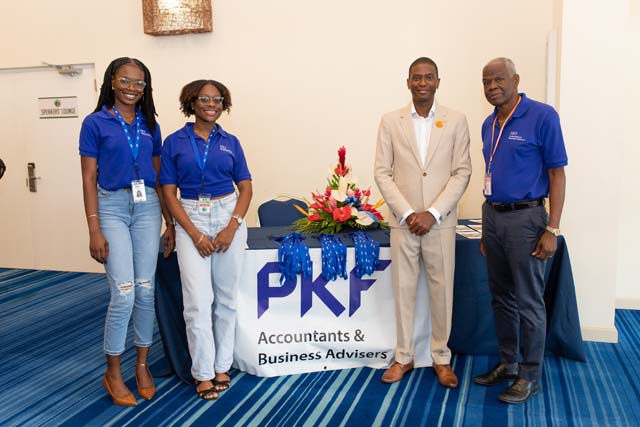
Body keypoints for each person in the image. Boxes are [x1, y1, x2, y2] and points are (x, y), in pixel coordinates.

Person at [79, 57, 175, 406]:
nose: (132, 88)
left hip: (148, 206)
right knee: (124, 293)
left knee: (146, 290)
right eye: (125, 80)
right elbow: (89, 177)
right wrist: (94, 228)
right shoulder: (95, 122)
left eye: (139, 83)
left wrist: (170, 222)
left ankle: (142, 365)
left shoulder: (150, 124)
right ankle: (113, 372)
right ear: (111, 82)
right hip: (111, 206)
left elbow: (160, 177)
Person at [473, 57, 567, 404]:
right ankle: (509, 363)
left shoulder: (542, 116)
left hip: (526, 219)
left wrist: (552, 228)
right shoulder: (488, 124)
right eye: (487, 81)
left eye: (499, 79)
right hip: (493, 217)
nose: (492, 86)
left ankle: (529, 376)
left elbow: (557, 174)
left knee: (528, 300)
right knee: (501, 297)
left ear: (516, 79)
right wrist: (487, 229)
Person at [374, 57, 471, 388]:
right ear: (408, 82)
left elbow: (462, 172)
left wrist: (433, 212)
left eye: (429, 77)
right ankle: (404, 356)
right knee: (402, 290)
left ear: (438, 82)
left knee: (442, 292)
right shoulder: (391, 121)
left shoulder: (456, 121)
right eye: (417, 78)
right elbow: (382, 172)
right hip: (403, 223)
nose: (423, 83)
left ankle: (441, 358)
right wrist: (407, 213)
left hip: (440, 223)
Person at [160, 79, 252, 400]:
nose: (211, 105)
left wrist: (232, 227)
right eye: (204, 99)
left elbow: (246, 187)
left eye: (217, 100)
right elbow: (168, 192)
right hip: (190, 216)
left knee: (226, 299)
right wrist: (193, 233)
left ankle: (222, 366)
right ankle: (202, 372)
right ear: (191, 102)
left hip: (228, 214)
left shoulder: (231, 142)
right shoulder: (174, 142)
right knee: (197, 302)